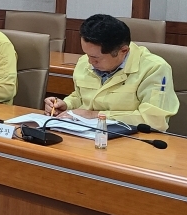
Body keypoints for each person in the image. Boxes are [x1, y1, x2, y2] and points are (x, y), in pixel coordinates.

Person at [45, 14, 178, 131]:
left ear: (123, 51)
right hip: (87, 135)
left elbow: (154, 120)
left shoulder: (154, 69)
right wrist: (66, 105)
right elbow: (81, 96)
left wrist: (95, 115)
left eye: (96, 58)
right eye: (86, 54)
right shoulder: (85, 61)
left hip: (133, 143)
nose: (89, 62)